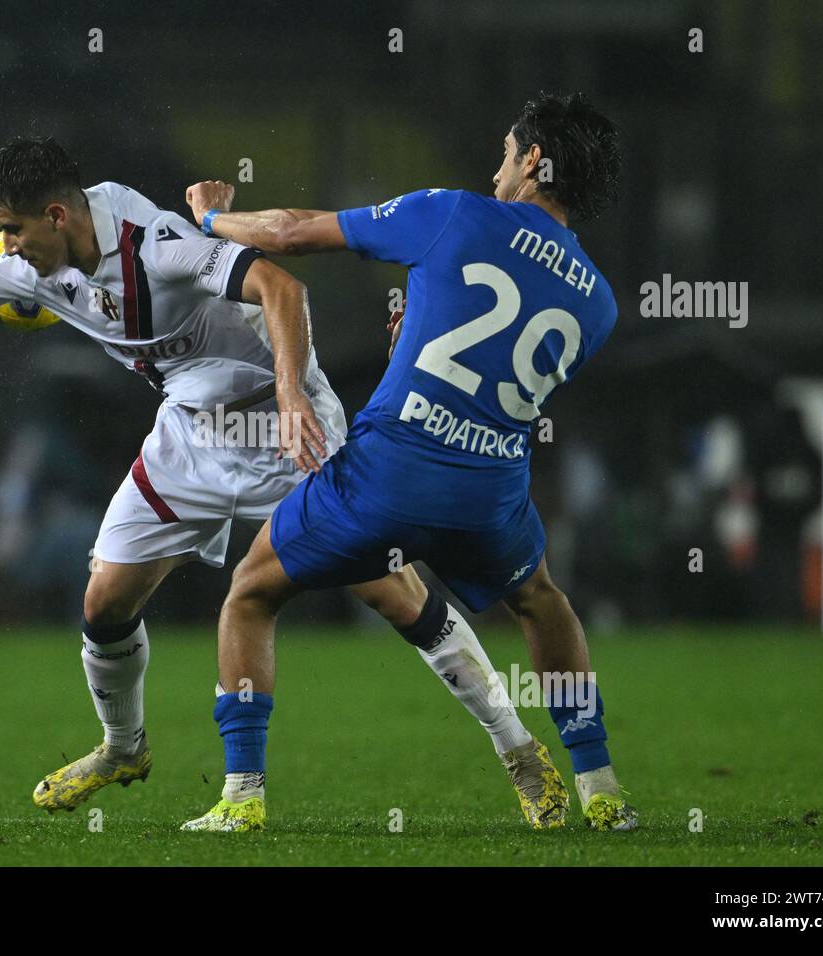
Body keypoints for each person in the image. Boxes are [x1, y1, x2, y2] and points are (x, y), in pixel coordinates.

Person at [0, 135, 569, 830]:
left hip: (284, 432)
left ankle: (519, 751)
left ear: (58, 215)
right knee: (103, 602)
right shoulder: (30, 268)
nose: (7, 247)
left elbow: (280, 285)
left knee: (393, 596)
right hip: (190, 439)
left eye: (17, 229)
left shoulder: (157, 244)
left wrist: (286, 391)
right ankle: (125, 747)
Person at [181, 91, 637, 832]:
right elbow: (490, 383)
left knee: (250, 593)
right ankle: (601, 785)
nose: (494, 171)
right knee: (541, 599)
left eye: (504, 153)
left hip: (388, 475)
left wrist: (209, 218)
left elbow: (291, 232)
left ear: (531, 159)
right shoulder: (601, 304)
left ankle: (242, 795)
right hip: (489, 496)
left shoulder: (455, 212)